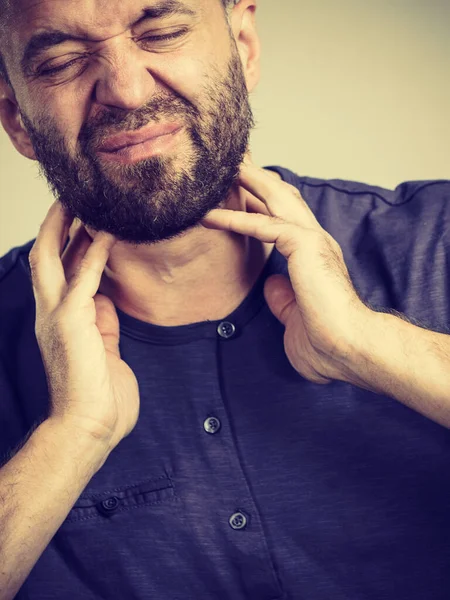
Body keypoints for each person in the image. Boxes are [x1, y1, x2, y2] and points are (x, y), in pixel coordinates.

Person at [0, 0, 449, 598]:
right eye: (62, 61)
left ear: (243, 43)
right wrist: (70, 437)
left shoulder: (434, 239)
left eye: (159, 33)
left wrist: (371, 346)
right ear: (16, 119)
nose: (128, 91)